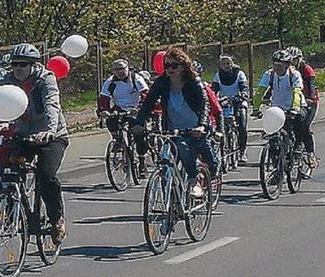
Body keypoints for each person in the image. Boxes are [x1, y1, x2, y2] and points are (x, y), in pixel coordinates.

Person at [0, 43, 69, 245]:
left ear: (33, 65)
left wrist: (50, 130)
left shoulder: (46, 79)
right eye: (14, 64)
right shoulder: (7, 81)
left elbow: (52, 105)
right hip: (22, 135)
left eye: (23, 64)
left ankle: (57, 219)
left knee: (47, 176)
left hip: (51, 136)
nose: (17, 68)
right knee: (9, 169)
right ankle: (13, 216)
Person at [133, 48, 216, 198]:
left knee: (184, 149)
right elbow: (148, 104)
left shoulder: (194, 82)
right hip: (172, 129)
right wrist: (138, 123)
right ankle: (171, 201)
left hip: (194, 129)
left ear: (183, 66)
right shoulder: (161, 83)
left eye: (174, 65)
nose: (170, 69)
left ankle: (194, 180)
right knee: (165, 160)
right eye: (167, 66)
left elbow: (205, 105)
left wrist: (202, 126)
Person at [97, 59, 149, 173]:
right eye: (117, 69)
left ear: (127, 68)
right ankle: (118, 141)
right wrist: (104, 110)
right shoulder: (110, 82)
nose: (120, 72)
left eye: (122, 69)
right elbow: (104, 99)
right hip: (120, 109)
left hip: (136, 109)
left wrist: (139, 108)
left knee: (138, 134)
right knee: (111, 121)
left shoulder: (136, 79)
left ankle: (141, 162)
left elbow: (145, 95)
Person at [261, 50, 311, 158]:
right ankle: (276, 165)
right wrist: (256, 107)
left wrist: (295, 108)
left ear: (288, 65)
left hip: (296, 106)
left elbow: (297, 92)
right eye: (275, 65)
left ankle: (298, 145)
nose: (277, 68)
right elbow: (260, 91)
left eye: (280, 66)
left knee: (299, 121)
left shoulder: (294, 74)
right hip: (277, 109)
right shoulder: (269, 74)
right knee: (274, 137)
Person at [212, 55, 249, 162]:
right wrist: (214, 99)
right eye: (224, 64)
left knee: (242, 125)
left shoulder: (239, 74)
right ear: (220, 65)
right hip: (224, 102)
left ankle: (242, 151)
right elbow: (213, 91)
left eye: (228, 63)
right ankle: (222, 150)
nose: (226, 66)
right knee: (219, 126)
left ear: (232, 63)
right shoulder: (218, 76)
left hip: (239, 101)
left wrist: (243, 95)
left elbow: (244, 88)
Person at [287, 46, 319, 169]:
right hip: (292, 101)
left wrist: (310, 98)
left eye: (294, 59)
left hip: (309, 102)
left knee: (304, 126)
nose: (292, 62)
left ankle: (310, 154)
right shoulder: (287, 70)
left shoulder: (306, 69)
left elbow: (311, 85)